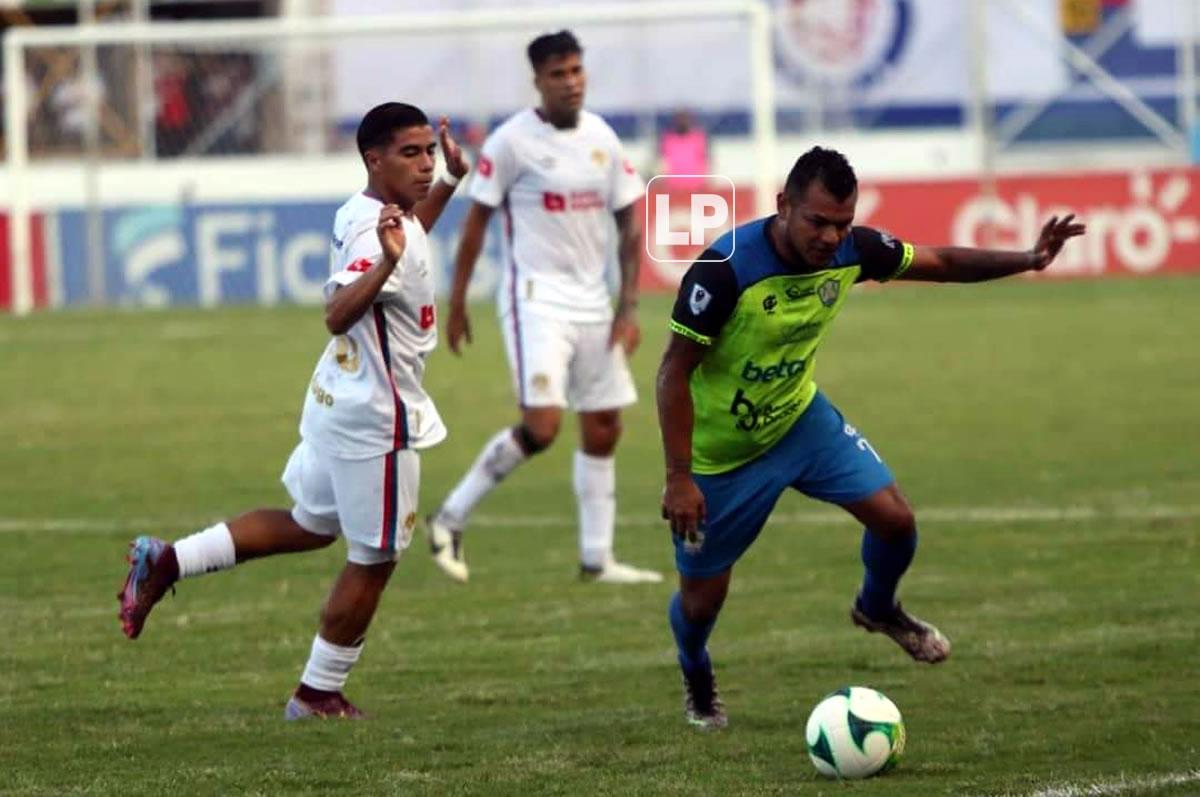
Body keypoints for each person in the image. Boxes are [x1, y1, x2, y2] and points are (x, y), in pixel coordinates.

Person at [656, 146, 1085, 730]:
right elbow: (672, 373)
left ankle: (877, 607)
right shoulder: (724, 270)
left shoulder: (853, 251)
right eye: (818, 222)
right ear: (783, 205)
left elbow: (941, 262)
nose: (831, 238)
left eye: (843, 224)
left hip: (799, 422)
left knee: (896, 521)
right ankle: (695, 670)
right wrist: (679, 477)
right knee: (702, 602)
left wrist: (1030, 259)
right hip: (721, 456)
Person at [116, 102, 469, 719]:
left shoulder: (370, 211)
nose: (425, 164)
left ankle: (168, 560)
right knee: (375, 558)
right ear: (374, 159)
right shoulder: (376, 234)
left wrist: (450, 183)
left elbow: (411, 238)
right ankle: (317, 692)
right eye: (411, 154)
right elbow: (337, 312)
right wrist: (386, 262)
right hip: (375, 421)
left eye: (430, 153)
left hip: (338, 399)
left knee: (310, 524)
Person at [425, 30, 661, 585]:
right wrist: (456, 302)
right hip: (535, 299)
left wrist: (627, 307)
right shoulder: (511, 142)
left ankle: (597, 559)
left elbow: (629, 222)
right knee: (544, 424)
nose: (570, 82)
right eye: (558, 74)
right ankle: (449, 518)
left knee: (603, 426)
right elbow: (477, 223)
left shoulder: (602, 138)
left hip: (593, 301)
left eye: (576, 71)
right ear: (538, 81)